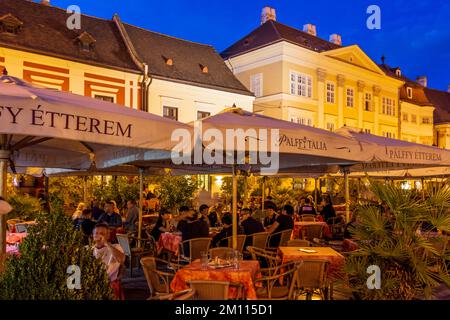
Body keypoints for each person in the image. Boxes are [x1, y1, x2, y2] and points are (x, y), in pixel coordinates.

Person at [92, 223, 126, 300]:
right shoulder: (88, 249)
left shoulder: (116, 247)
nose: (98, 236)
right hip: (92, 283)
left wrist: (106, 243)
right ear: (93, 235)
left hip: (110, 284)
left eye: (102, 234)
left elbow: (121, 260)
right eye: (96, 233)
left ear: (108, 236)